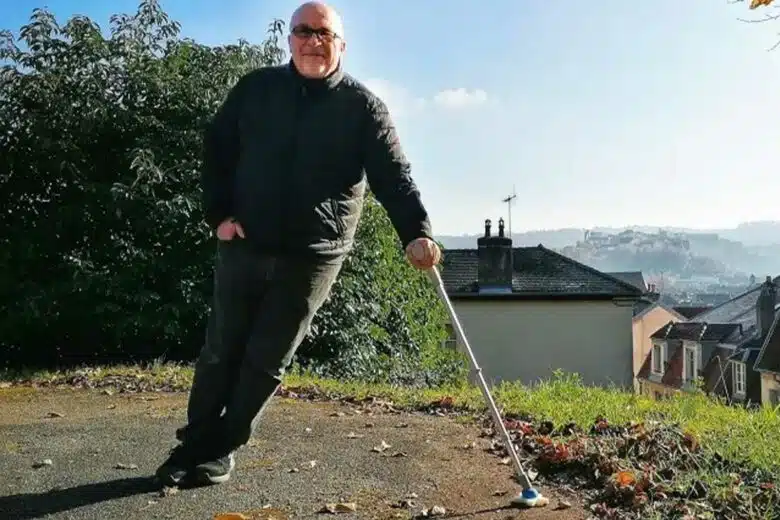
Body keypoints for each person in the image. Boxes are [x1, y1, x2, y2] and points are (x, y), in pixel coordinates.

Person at [155, 1, 441, 487]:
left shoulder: (364, 108)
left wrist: (418, 231)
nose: (312, 41)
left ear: (341, 44)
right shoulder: (255, 90)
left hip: (313, 255)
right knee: (221, 350)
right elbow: (217, 148)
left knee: (266, 359)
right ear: (288, 40)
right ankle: (193, 444)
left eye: (323, 33)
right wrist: (218, 216)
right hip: (245, 242)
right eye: (303, 31)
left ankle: (221, 449)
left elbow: (394, 176)